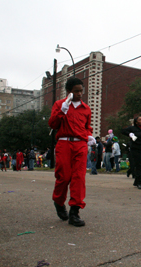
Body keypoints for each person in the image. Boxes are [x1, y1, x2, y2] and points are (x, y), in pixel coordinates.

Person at [48, 77, 95, 227]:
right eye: (76, 91)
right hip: (64, 143)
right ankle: (58, 201)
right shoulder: (59, 105)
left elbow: (87, 126)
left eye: (81, 91)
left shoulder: (86, 108)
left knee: (79, 178)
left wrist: (89, 135)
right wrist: (62, 111)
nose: (80, 94)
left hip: (80, 145)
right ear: (69, 92)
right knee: (64, 176)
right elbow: (53, 124)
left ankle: (75, 212)